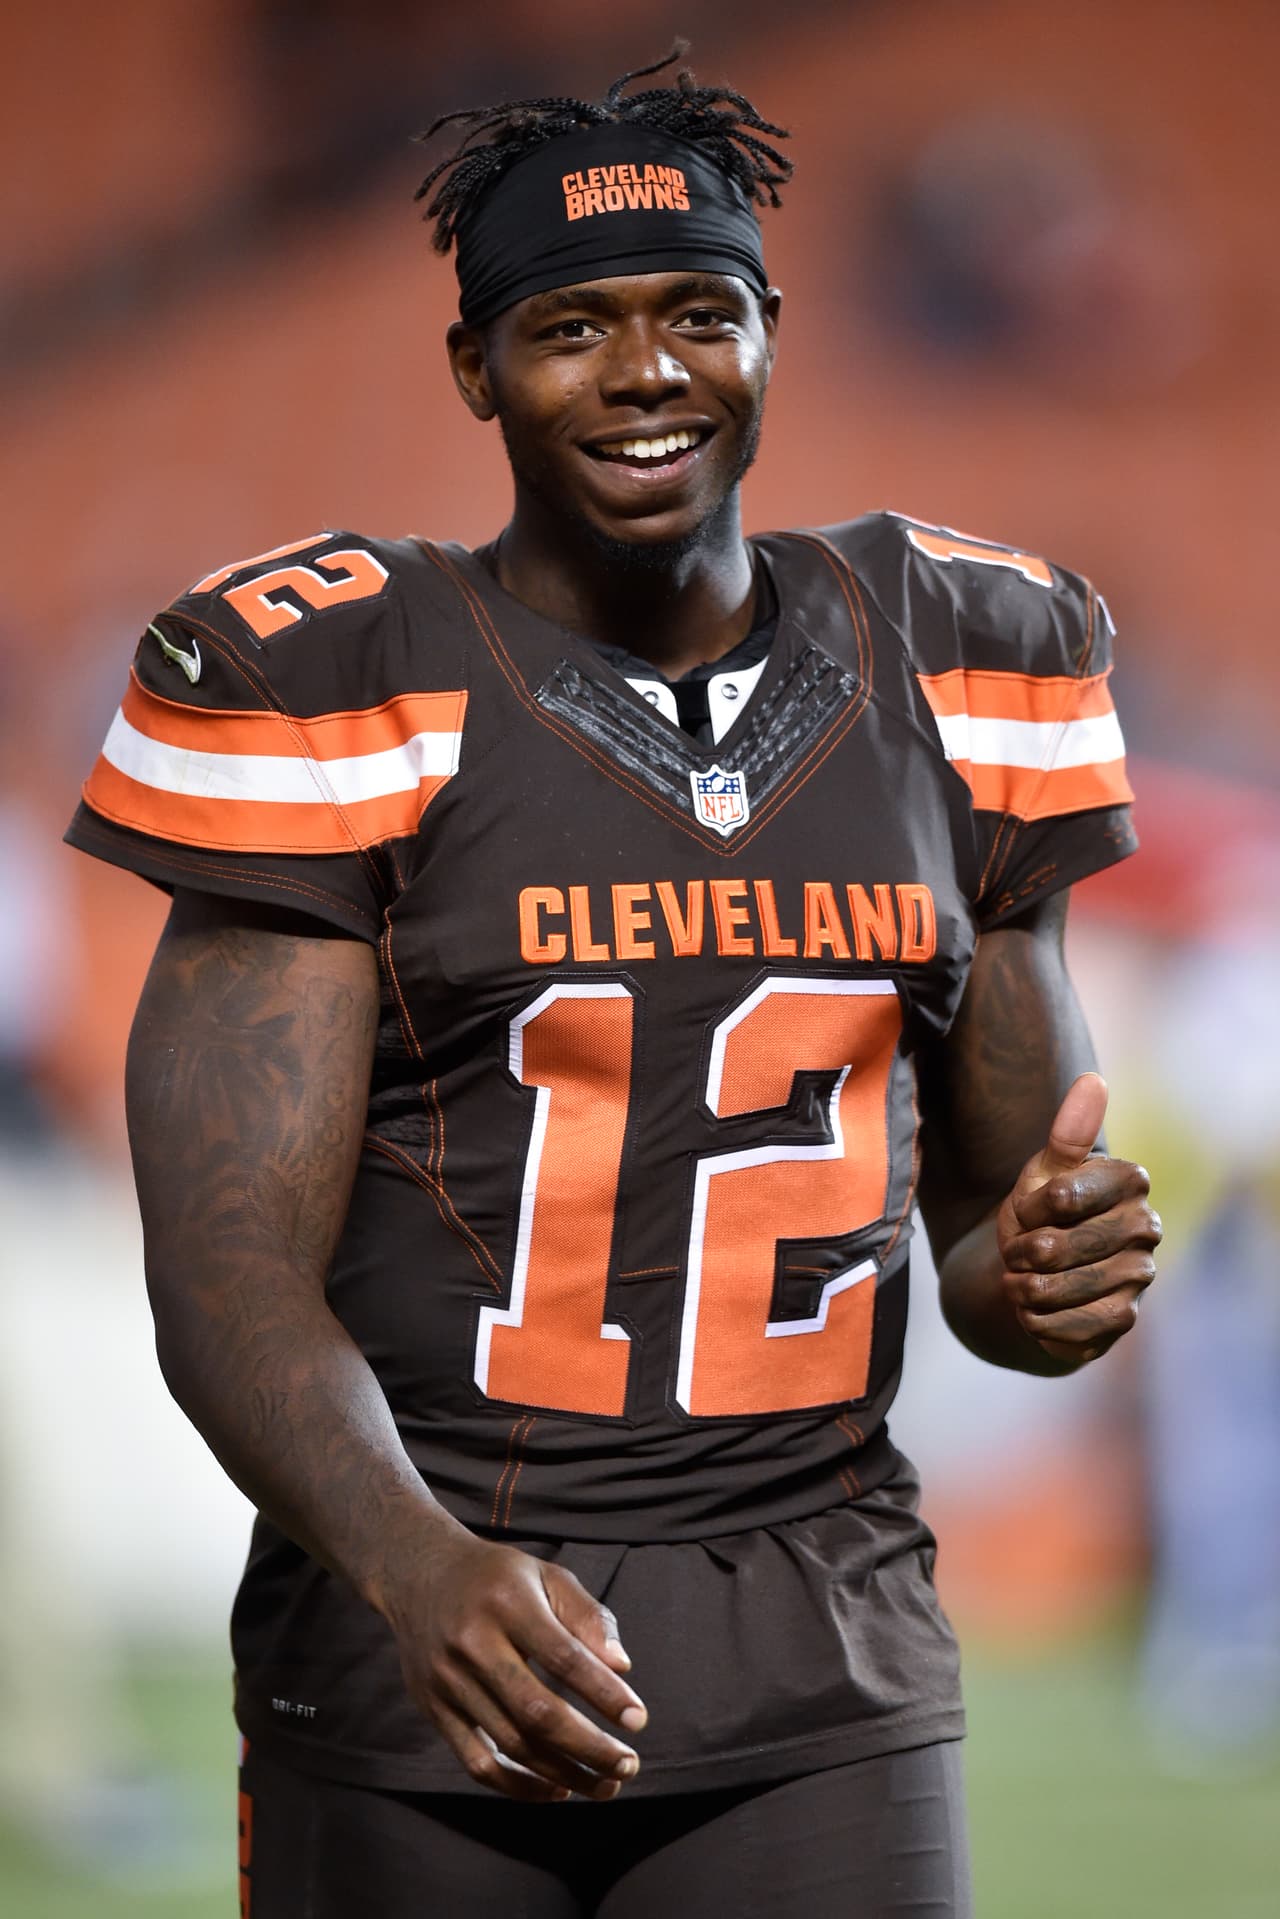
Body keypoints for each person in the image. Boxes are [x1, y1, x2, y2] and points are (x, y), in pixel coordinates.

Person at [66, 47, 1161, 1919]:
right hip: (423, 1636)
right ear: (476, 369)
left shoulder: (971, 666)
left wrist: (1049, 1274)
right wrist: (417, 1570)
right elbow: (225, 1273)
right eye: (571, 326)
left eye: (697, 314)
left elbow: (990, 1254)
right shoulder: (342, 683)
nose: (647, 372)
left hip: (822, 1648)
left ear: (769, 333)